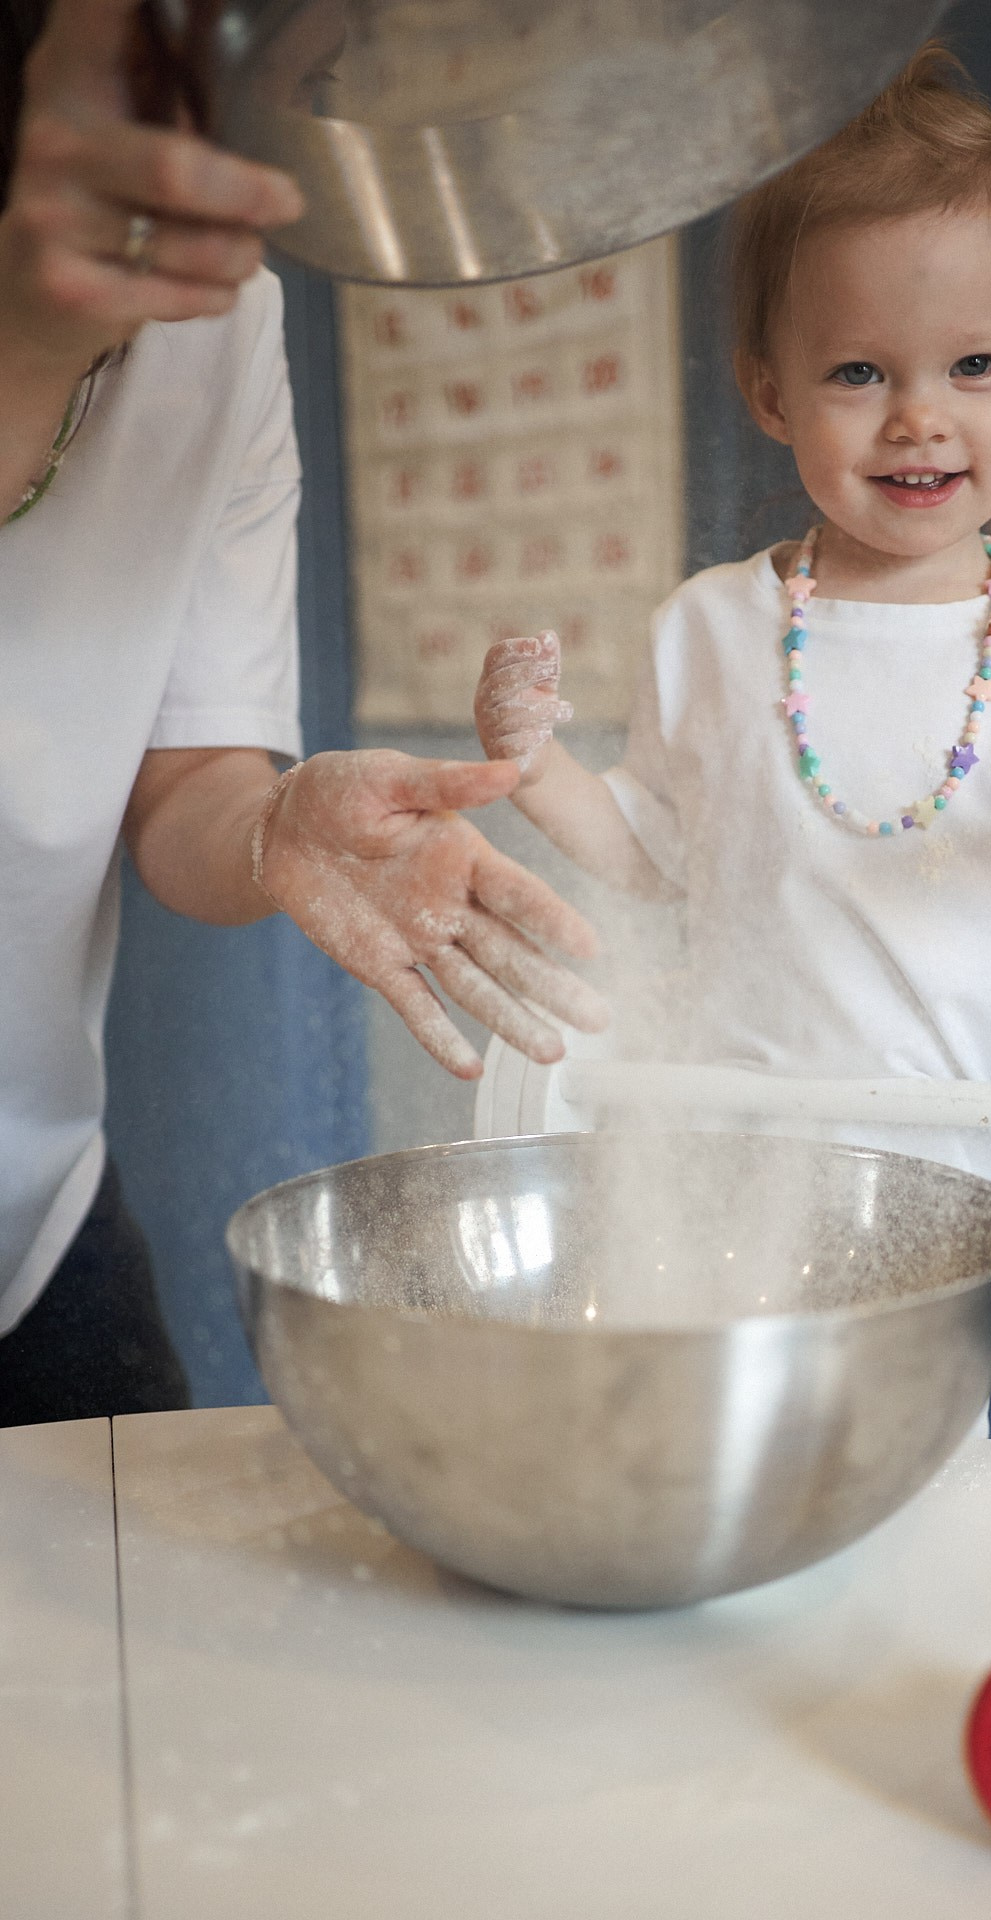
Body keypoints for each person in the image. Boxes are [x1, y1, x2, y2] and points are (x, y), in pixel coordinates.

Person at [473, 44, 991, 1446]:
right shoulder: (708, 630)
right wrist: (535, 765)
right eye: (857, 371)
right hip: (731, 1212)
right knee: (737, 1511)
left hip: (966, 1230)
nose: (919, 416)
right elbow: (656, 858)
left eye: (973, 364)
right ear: (771, 393)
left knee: (964, 1534)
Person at [0, 0, 607, 1424]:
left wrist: (274, 827)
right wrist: (32, 337)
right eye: (262, 43)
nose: (295, 105)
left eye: (317, 64)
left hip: (35, 1208)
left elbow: (183, 778)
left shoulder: (234, 324)